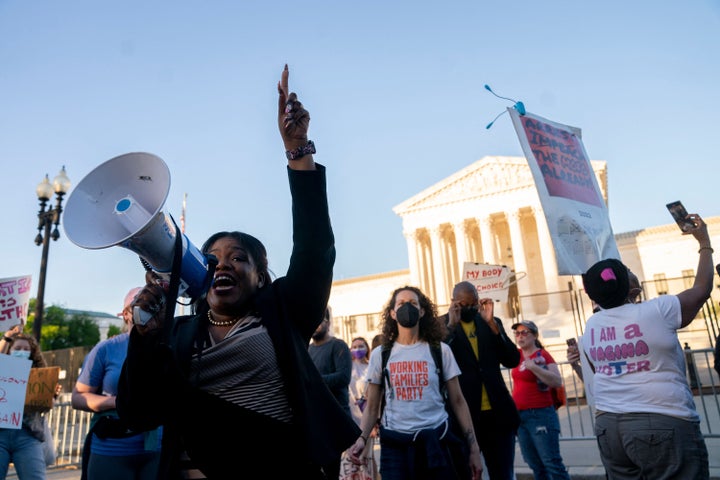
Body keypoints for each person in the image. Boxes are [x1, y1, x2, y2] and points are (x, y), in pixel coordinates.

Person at [116, 65, 360, 479]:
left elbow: (315, 250)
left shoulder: (284, 315)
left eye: (238, 257)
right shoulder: (176, 335)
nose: (223, 264)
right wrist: (144, 339)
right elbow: (136, 412)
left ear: (262, 277)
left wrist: (298, 151)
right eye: (212, 258)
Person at [580, 212, 713, 480]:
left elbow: (599, 367)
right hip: (661, 420)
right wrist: (704, 242)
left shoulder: (592, 326)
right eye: (628, 271)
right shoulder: (657, 311)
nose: (633, 272)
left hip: (609, 426)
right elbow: (701, 289)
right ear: (628, 288)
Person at [347, 285, 483, 480]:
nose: (407, 307)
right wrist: (361, 438)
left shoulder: (440, 351)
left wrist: (474, 448)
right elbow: (372, 406)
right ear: (393, 313)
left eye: (412, 303)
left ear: (422, 311)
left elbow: (458, 401)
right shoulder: (381, 354)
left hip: (436, 441)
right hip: (395, 447)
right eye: (401, 304)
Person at [71, 287, 162, 480]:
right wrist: (118, 401)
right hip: (112, 448)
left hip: (156, 450)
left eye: (151, 305)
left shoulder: (166, 346)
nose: (146, 309)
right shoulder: (106, 349)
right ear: (126, 314)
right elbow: (78, 397)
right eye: (139, 305)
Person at [441, 281, 520, 480]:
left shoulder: (490, 321)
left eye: (473, 304)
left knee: (503, 474)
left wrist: (492, 325)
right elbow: (438, 362)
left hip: (497, 416)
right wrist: (451, 325)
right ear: (454, 302)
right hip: (464, 419)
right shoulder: (441, 325)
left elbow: (512, 359)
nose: (470, 308)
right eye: (464, 304)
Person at [511, 320, 571, 480]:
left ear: (535, 335)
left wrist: (534, 367)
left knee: (551, 463)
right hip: (520, 417)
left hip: (540, 414)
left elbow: (557, 381)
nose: (520, 336)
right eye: (517, 333)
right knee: (534, 464)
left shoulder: (542, 355)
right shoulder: (516, 356)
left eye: (525, 332)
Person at [0, 326, 55, 480]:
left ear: (32, 353)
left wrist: (51, 394)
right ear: (9, 350)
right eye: (18, 348)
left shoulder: (40, 376)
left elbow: (48, 405)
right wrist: (7, 338)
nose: (22, 351)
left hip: (27, 435)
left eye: (26, 349)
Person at [308, 307, 353, 479]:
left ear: (328, 322)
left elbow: (343, 377)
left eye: (318, 320)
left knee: (333, 471)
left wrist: (313, 380)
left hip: (336, 418)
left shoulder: (338, 345)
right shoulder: (308, 349)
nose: (315, 325)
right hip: (315, 419)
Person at [348, 336, 371, 426]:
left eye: (361, 346)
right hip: (352, 407)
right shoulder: (348, 366)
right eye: (354, 347)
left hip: (367, 407)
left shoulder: (371, 366)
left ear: (367, 348)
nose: (357, 349)